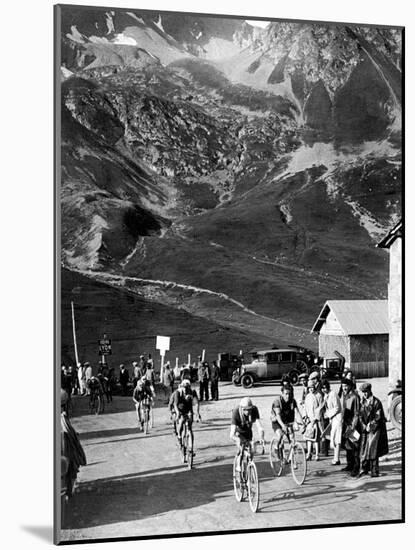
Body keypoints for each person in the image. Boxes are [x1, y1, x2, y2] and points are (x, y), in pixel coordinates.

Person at [61, 389, 86, 502]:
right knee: (72, 460)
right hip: (63, 444)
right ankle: (68, 490)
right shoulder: (62, 417)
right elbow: (70, 433)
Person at [358, 383, 389, 477]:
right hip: (365, 429)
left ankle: (374, 471)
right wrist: (364, 425)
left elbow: (378, 416)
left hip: (375, 430)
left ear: (370, 391)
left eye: (366, 392)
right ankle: (364, 469)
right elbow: (359, 415)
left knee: (373, 449)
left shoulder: (376, 402)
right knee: (363, 449)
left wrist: (370, 425)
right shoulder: (362, 401)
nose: (365, 394)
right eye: (363, 392)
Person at [230, 397, 264, 472]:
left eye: (249, 409)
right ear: (242, 409)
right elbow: (232, 434)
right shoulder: (236, 412)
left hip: (248, 431)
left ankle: (249, 468)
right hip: (238, 432)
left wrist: (261, 437)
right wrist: (237, 439)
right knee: (241, 448)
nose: (248, 412)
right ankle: (238, 466)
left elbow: (259, 426)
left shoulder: (254, 410)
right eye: (246, 410)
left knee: (251, 451)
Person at [172, 379, 201, 455]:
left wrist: (197, 413)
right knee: (181, 422)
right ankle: (179, 437)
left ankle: (191, 447)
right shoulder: (178, 393)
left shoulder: (192, 392)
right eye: (184, 387)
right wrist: (178, 412)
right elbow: (175, 404)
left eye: (187, 387)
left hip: (188, 410)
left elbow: (196, 402)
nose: (185, 389)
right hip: (180, 410)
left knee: (190, 429)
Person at [340, 377, 361, 477]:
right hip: (346, 424)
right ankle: (349, 464)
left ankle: (356, 468)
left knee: (355, 447)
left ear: (350, 386)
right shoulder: (345, 396)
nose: (344, 388)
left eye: (346, 386)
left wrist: (353, 426)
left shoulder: (355, 397)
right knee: (348, 446)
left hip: (353, 425)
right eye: (343, 386)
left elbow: (357, 413)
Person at [270, 386, 302, 450]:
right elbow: (278, 416)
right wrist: (283, 425)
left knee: (292, 437)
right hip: (277, 421)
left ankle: (291, 455)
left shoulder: (292, 400)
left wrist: (302, 422)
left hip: (287, 420)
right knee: (280, 434)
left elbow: (297, 412)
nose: (288, 396)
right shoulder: (277, 401)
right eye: (286, 394)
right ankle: (276, 447)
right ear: (282, 394)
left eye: (289, 394)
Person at [321, 379, 342, 465]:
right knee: (332, 437)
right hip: (333, 419)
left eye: (325, 387)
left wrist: (328, 414)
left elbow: (337, 408)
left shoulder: (333, 394)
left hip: (337, 418)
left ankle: (336, 458)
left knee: (337, 438)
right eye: (322, 388)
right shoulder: (326, 395)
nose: (324, 389)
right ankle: (336, 457)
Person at [303, 379, 324, 461]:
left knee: (316, 438)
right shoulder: (307, 396)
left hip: (316, 419)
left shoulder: (319, 395)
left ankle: (317, 454)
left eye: (312, 387)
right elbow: (305, 407)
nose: (311, 389)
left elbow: (321, 407)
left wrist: (316, 418)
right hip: (309, 419)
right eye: (309, 388)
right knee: (309, 437)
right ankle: (309, 453)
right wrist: (305, 416)